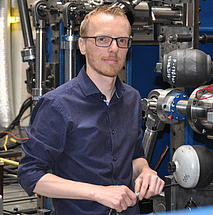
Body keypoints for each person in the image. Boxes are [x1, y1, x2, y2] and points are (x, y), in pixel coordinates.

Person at [18, 5, 165, 214]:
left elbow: (134, 156)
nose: (114, 48)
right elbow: (30, 175)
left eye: (121, 41)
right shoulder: (57, 105)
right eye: (102, 40)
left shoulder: (131, 98)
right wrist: (98, 192)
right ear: (82, 45)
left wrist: (146, 171)